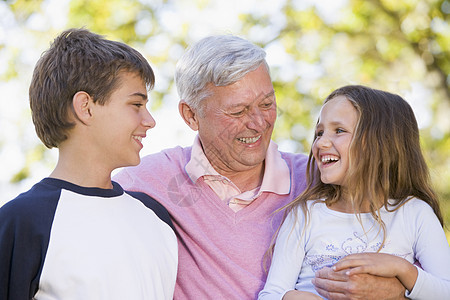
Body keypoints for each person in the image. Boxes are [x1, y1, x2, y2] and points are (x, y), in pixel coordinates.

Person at [114, 36, 409, 299]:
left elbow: (417, 257)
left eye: (267, 104)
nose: (258, 122)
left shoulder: (322, 178)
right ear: (191, 115)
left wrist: (397, 291)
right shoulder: (146, 178)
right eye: (238, 110)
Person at [0, 28, 177, 299]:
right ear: (86, 107)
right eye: (136, 104)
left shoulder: (157, 217)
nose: (150, 120)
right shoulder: (21, 223)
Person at [258, 85, 450, 300]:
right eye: (319, 132)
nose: (321, 142)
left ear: (381, 144)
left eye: (339, 130)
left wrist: (402, 269)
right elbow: (271, 294)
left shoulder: (414, 213)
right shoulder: (305, 215)